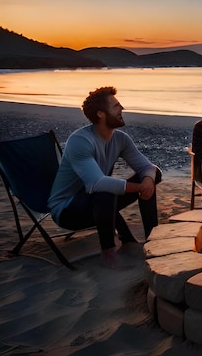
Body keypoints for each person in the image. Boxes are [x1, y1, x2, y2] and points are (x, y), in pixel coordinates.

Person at [48, 86, 161, 268]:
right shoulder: (80, 140)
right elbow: (96, 183)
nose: (122, 108)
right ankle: (108, 253)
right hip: (68, 211)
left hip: (99, 204)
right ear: (101, 114)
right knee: (104, 189)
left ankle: (152, 239)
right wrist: (140, 187)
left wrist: (147, 180)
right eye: (116, 106)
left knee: (153, 176)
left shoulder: (120, 139)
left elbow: (147, 167)